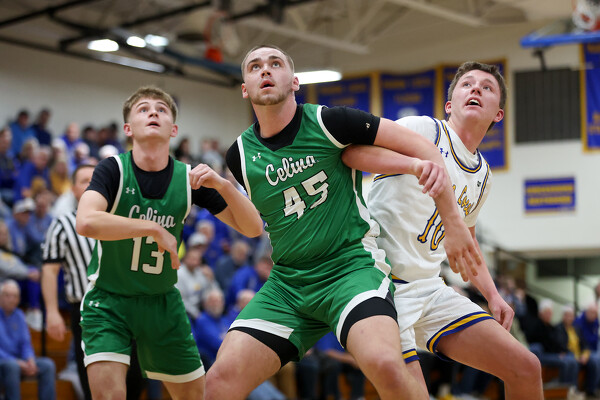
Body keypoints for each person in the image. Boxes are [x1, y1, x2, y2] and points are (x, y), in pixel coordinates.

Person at [204, 44, 482, 400]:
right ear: (245, 88)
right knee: (219, 381)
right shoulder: (239, 155)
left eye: (275, 63)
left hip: (349, 269)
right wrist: (222, 189)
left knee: (385, 364)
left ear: (295, 82)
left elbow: (424, 149)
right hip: (289, 284)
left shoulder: (329, 121)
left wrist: (454, 223)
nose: (265, 70)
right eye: (255, 66)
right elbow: (252, 227)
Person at [342, 61, 543, 399]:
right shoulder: (424, 129)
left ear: (498, 114)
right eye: (467, 84)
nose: (476, 88)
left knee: (526, 367)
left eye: (487, 87)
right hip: (381, 284)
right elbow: (352, 153)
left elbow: (467, 241)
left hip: (429, 287)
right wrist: (413, 164)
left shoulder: (483, 176)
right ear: (449, 105)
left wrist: (493, 295)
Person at [76, 85, 263, 400]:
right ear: (128, 128)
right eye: (143, 109)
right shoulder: (113, 169)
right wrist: (151, 228)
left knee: (193, 396)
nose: (153, 112)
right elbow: (86, 221)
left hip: (162, 302)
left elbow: (253, 227)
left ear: (173, 130)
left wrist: (224, 185)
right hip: (109, 300)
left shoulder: (188, 179)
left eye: (161, 109)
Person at [0, 279, 56, 400]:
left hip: (19, 361)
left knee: (47, 365)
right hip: (4, 361)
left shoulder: (20, 315)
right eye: (7, 295)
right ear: (0, 297)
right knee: (12, 367)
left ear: (19, 299)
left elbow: (25, 343)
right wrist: (16, 362)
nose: (11, 299)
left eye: (15, 296)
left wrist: (30, 360)